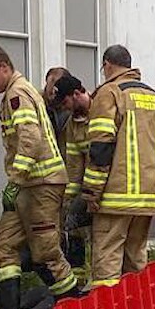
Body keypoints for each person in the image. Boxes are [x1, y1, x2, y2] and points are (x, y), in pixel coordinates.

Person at [0, 43, 82, 309]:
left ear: (3, 68)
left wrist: (15, 180)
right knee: (5, 246)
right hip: (29, 186)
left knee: (46, 252)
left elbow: (30, 140)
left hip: (39, 185)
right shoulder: (17, 92)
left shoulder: (17, 94)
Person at [82, 44, 155, 286]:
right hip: (147, 197)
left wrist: (91, 192)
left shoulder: (110, 93)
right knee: (135, 259)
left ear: (107, 64)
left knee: (107, 261)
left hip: (115, 197)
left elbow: (101, 148)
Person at [54, 74, 93, 284]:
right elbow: (74, 165)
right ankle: (79, 282)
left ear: (77, 94)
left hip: (105, 190)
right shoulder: (72, 124)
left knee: (102, 243)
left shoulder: (101, 114)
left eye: (66, 102)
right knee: (75, 231)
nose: (66, 108)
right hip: (86, 192)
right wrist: (70, 202)